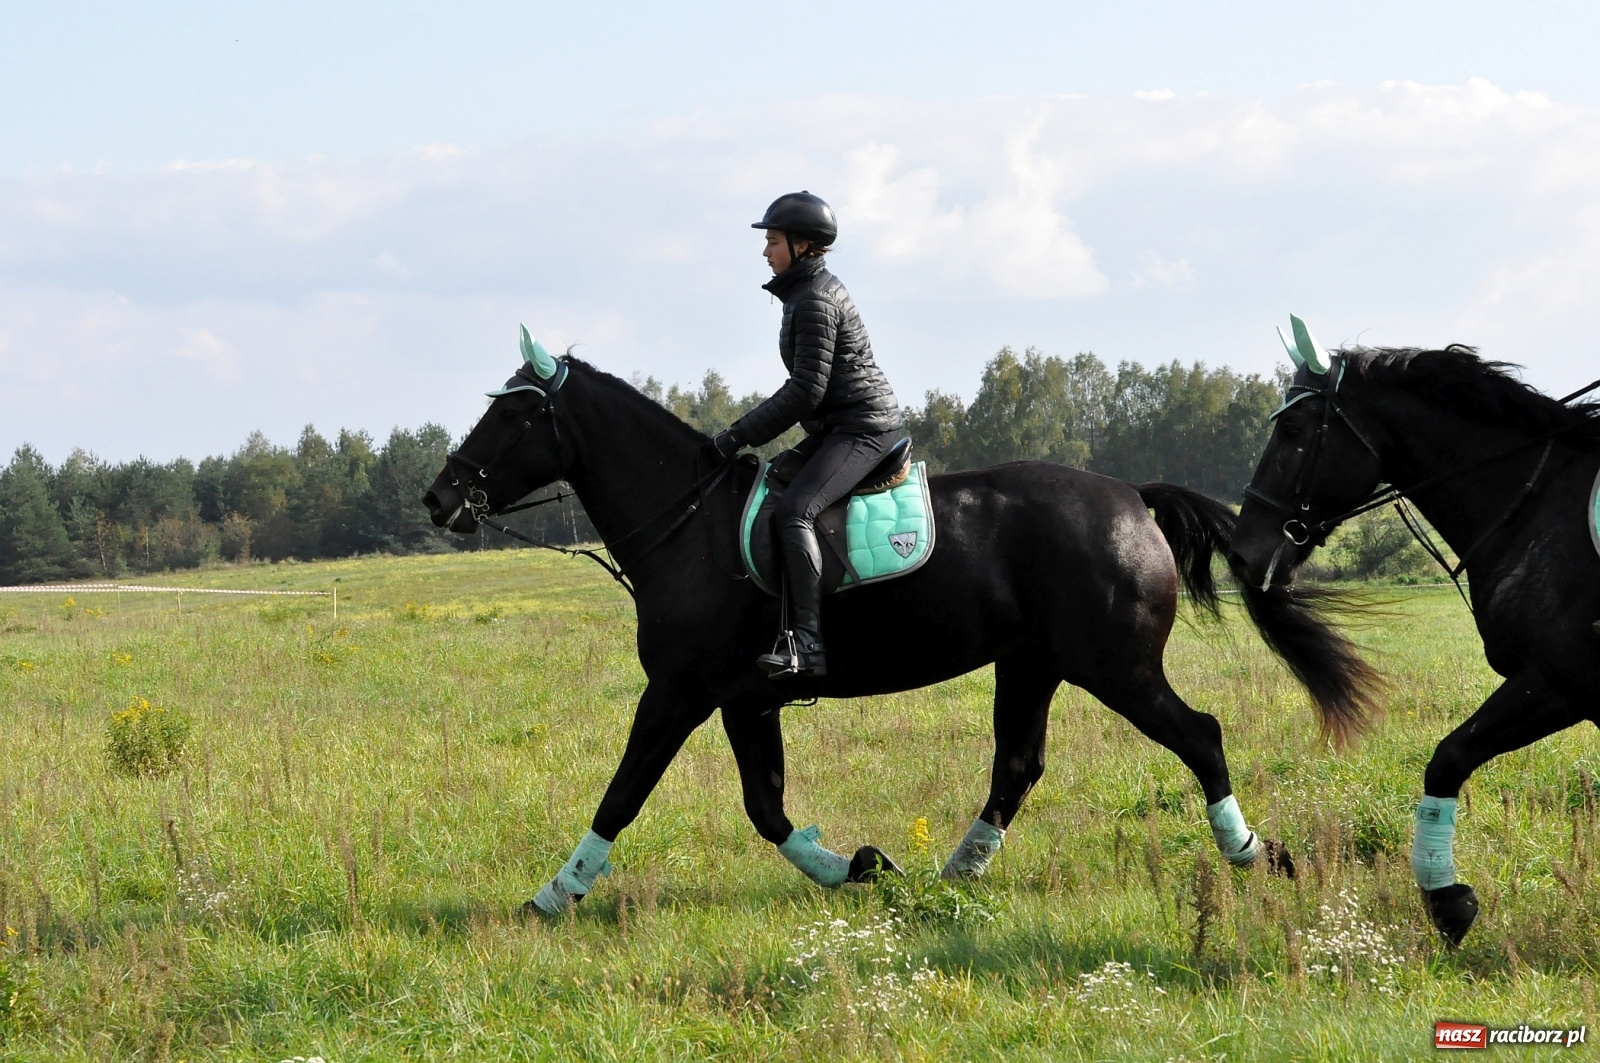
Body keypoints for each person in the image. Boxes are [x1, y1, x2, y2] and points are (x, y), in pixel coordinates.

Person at [710, 191, 904, 678]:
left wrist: (736, 436)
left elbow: (804, 393)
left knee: (797, 509)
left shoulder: (815, 299)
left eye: (772, 241)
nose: (765, 251)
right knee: (775, 488)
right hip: (838, 426)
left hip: (861, 429)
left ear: (801, 246)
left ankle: (809, 646)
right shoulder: (803, 293)